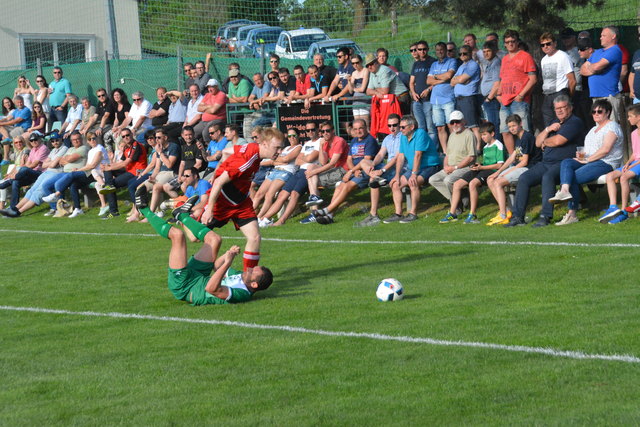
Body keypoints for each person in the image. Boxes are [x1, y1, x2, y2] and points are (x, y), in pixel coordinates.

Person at [134, 188, 273, 305]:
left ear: (254, 285)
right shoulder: (241, 276)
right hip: (199, 276)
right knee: (215, 240)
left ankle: (143, 208)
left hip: (185, 286)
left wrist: (228, 262)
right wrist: (228, 254)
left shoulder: (241, 294)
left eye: (252, 272)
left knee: (178, 236)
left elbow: (211, 289)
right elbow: (217, 266)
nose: (249, 269)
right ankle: (182, 215)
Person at [199, 128, 284, 271]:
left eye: (281, 148)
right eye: (277, 147)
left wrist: (220, 169)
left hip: (242, 202)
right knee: (196, 236)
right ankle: (183, 215)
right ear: (263, 144)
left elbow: (226, 152)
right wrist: (209, 209)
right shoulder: (248, 159)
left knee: (255, 237)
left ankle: (248, 276)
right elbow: (219, 182)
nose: (280, 151)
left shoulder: (252, 148)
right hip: (225, 201)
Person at [505, 95, 584, 227]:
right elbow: (537, 142)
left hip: (564, 163)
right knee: (524, 178)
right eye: (557, 108)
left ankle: (545, 216)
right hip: (546, 162)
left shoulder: (574, 122)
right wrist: (548, 130)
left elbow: (559, 141)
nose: (559, 111)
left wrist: (545, 141)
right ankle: (518, 216)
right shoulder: (553, 122)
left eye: (563, 108)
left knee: (547, 177)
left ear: (570, 108)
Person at [549, 99, 623, 225]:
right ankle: (565, 190)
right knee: (567, 162)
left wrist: (587, 159)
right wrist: (582, 156)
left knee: (573, 177)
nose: (596, 114)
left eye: (600, 111)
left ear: (608, 112)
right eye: (593, 111)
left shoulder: (612, 126)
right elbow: (588, 151)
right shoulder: (592, 130)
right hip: (591, 161)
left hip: (606, 162)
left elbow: (605, 150)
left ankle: (572, 213)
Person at [313, 119, 379, 225]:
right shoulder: (354, 141)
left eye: (361, 128)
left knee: (346, 187)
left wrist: (352, 171)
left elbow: (366, 160)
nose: (358, 131)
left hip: (366, 171)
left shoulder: (370, 140)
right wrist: (353, 170)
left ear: (366, 127)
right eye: (355, 129)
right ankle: (330, 216)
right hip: (355, 170)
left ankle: (327, 210)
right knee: (339, 187)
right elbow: (349, 159)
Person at [257, 122, 321, 227]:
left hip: (308, 172)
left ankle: (282, 220)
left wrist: (304, 158)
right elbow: (297, 161)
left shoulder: (318, 142)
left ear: (317, 130)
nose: (310, 132)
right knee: (281, 195)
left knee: (294, 194)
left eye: (312, 130)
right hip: (299, 171)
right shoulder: (307, 144)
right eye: (307, 130)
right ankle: (264, 219)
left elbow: (308, 159)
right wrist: (305, 158)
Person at [440, 122, 504, 224]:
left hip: (492, 171)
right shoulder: (486, 147)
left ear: (492, 134)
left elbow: (499, 165)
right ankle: (452, 213)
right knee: (457, 184)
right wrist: (479, 165)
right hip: (482, 169)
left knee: (472, 184)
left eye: (484, 134)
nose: (482, 137)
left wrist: (482, 167)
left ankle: (473, 215)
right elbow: (487, 162)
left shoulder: (498, 145)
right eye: (481, 135)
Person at [383, 114, 440, 224]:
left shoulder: (421, 134)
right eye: (400, 127)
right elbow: (400, 156)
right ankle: (398, 213)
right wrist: (397, 175)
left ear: (412, 127)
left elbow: (418, 155)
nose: (400, 129)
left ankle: (413, 213)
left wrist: (414, 174)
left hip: (429, 166)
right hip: (414, 168)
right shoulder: (404, 137)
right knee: (395, 184)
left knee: (413, 182)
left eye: (403, 127)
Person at [486, 114, 540, 225]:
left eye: (514, 126)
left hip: (529, 168)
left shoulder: (527, 137)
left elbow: (524, 162)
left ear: (520, 124)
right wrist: (498, 172)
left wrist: (507, 173)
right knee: (491, 179)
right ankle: (506, 211)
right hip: (520, 167)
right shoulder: (518, 139)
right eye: (510, 127)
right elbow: (512, 157)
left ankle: (503, 215)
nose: (512, 129)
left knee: (499, 182)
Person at [0, 132, 67, 216]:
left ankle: (18, 212)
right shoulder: (53, 150)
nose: (55, 142)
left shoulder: (62, 148)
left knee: (38, 191)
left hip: (53, 173)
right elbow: (44, 164)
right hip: (46, 172)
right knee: (30, 189)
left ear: (61, 139)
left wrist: (50, 163)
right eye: (53, 141)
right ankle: (13, 208)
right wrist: (51, 162)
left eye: (57, 140)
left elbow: (47, 164)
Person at [355, 114, 403, 227]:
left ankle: (380, 214)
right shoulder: (387, 138)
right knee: (364, 164)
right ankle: (374, 214)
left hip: (399, 168)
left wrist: (382, 170)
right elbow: (381, 154)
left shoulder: (403, 137)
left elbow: (397, 158)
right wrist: (373, 163)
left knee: (379, 181)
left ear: (399, 125)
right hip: (387, 168)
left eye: (395, 125)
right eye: (389, 125)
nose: (392, 128)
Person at [497, 30, 537, 154]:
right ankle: (513, 159)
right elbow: (503, 78)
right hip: (505, 100)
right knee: (505, 131)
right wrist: (499, 94)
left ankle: (527, 158)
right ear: (504, 44)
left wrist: (521, 95)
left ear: (517, 42)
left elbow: (533, 78)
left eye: (513, 41)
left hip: (519, 100)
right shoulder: (504, 59)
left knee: (523, 131)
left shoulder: (525, 56)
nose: (510, 44)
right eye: (507, 42)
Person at [301, 122, 349, 224]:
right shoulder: (325, 142)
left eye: (327, 131)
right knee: (310, 167)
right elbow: (323, 162)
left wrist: (313, 172)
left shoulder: (339, 141)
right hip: (335, 169)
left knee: (312, 175)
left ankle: (314, 211)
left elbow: (332, 163)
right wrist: (320, 146)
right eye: (323, 131)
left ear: (333, 131)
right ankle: (315, 198)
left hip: (343, 170)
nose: (325, 133)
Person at [428, 110, 476, 206]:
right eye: (452, 122)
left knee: (448, 180)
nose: (454, 124)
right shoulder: (452, 135)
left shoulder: (469, 135)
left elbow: (471, 157)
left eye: (457, 121)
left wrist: (455, 168)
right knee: (433, 179)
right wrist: (446, 166)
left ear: (463, 121)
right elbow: (447, 155)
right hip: (451, 167)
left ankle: (456, 206)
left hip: (465, 168)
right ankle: (459, 197)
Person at [255, 127, 302, 222]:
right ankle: (247, 217)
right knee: (259, 194)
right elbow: (273, 160)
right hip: (275, 171)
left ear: (298, 136)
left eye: (294, 135)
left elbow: (286, 159)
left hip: (286, 172)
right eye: (289, 136)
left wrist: (278, 160)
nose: (291, 138)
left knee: (269, 194)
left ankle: (258, 218)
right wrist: (278, 161)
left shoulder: (299, 147)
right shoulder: (285, 148)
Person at [99, 129, 148, 219]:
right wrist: (108, 165)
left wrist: (109, 167)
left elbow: (125, 163)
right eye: (124, 136)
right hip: (129, 171)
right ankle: (109, 185)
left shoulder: (136, 145)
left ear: (132, 134)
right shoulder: (126, 147)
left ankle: (114, 211)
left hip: (138, 172)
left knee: (110, 181)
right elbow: (120, 162)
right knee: (107, 171)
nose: (126, 137)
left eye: (127, 135)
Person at [580, 26, 623, 123]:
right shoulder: (597, 52)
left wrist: (592, 67)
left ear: (613, 36)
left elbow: (596, 67)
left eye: (603, 35)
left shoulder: (615, 50)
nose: (600, 38)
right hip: (596, 96)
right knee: (600, 128)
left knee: (611, 127)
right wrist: (595, 68)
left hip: (608, 97)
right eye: (600, 35)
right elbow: (582, 70)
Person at [539, 32, 576, 127]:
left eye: (548, 43)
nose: (545, 46)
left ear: (555, 43)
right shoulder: (543, 60)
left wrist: (568, 96)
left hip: (560, 92)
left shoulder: (563, 56)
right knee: (549, 125)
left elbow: (572, 80)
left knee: (563, 122)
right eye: (542, 45)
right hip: (547, 95)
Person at [611, 105, 640, 221]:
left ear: (638, 117)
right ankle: (612, 208)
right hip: (635, 162)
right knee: (611, 176)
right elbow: (635, 153)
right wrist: (627, 163)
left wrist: (631, 166)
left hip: (638, 164)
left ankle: (624, 212)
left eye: (630, 116)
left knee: (624, 177)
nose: (628, 119)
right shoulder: (633, 134)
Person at [427, 42, 458, 151]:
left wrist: (435, 78)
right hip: (435, 100)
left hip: (448, 98)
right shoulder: (433, 64)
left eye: (441, 49)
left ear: (445, 50)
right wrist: (442, 78)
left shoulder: (452, 61)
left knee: (451, 125)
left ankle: (455, 148)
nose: (439, 52)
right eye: (437, 50)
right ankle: (445, 151)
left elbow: (449, 75)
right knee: (440, 127)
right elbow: (428, 80)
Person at [451, 44, 482, 146]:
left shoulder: (472, 65)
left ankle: (477, 148)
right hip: (459, 99)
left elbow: (460, 79)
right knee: (464, 126)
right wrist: (460, 80)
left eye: (465, 53)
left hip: (468, 98)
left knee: (473, 126)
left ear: (470, 53)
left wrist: (460, 80)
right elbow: (452, 82)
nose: (462, 55)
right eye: (460, 54)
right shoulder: (461, 66)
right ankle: (468, 148)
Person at [410, 40, 437, 144]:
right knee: (421, 127)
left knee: (431, 128)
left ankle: (433, 150)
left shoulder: (433, 62)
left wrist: (429, 89)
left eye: (424, 49)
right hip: (417, 100)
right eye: (419, 49)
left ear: (428, 49)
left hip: (429, 100)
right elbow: (411, 82)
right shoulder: (416, 64)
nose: (422, 51)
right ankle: (423, 148)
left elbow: (437, 80)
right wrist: (413, 93)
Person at [479, 41, 502, 132]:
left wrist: (489, 99)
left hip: (492, 99)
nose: (486, 53)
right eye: (484, 52)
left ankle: (497, 145)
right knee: (489, 124)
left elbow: (497, 83)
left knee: (493, 125)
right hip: (487, 98)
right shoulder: (489, 63)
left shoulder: (496, 63)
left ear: (494, 51)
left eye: (488, 51)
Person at [47, 66, 72, 131]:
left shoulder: (65, 82)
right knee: (50, 128)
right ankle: (50, 140)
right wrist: (48, 93)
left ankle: (65, 140)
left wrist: (62, 106)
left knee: (64, 127)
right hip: (52, 108)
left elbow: (68, 95)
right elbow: (49, 96)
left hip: (60, 109)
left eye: (59, 72)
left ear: (62, 73)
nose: (57, 74)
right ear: (53, 74)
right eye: (55, 72)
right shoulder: (51, 83)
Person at [349, 54, 370, 128]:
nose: (355, 65)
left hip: (364, 99)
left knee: (365, 124)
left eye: (357, 63)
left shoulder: (365, 70)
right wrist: (349, 81)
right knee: (357, 125)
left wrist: (354, 89)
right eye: (353, 63)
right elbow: (351, 91)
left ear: (361, 62)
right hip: (355, 101)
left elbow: (362, 89)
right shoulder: (354, 73)